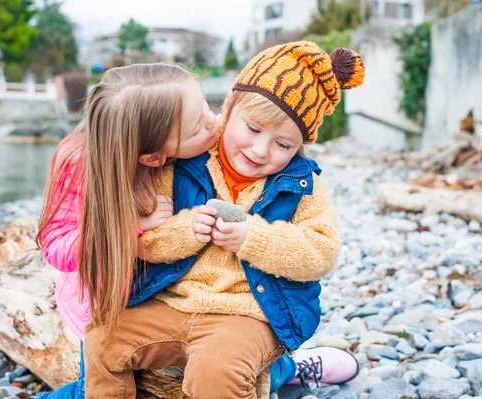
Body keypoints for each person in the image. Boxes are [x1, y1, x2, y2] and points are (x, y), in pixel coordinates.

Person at [83, 41, 365, 398]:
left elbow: (322, 253)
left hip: (248, 314)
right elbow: (143, 240)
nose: (261, 150)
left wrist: (255, 239)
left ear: (300, 145)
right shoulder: (187, 158)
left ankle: (279, 369)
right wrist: (186, 231)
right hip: (172, 304)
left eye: (283, 144)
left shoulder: (302, 185)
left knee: (215, 372)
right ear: (229, 106)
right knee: (101, 339)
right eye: (253, 129)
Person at [36, 63, 218, 399]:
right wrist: (128, 226)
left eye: (207, 105)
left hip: (162, 294)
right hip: (104, 302)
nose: (213, 122)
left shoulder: (186, 140)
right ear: (152, 158)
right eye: (196, 128)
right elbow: (55, 245)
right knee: (93, 388)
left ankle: (291, 367)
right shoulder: (78, 163)